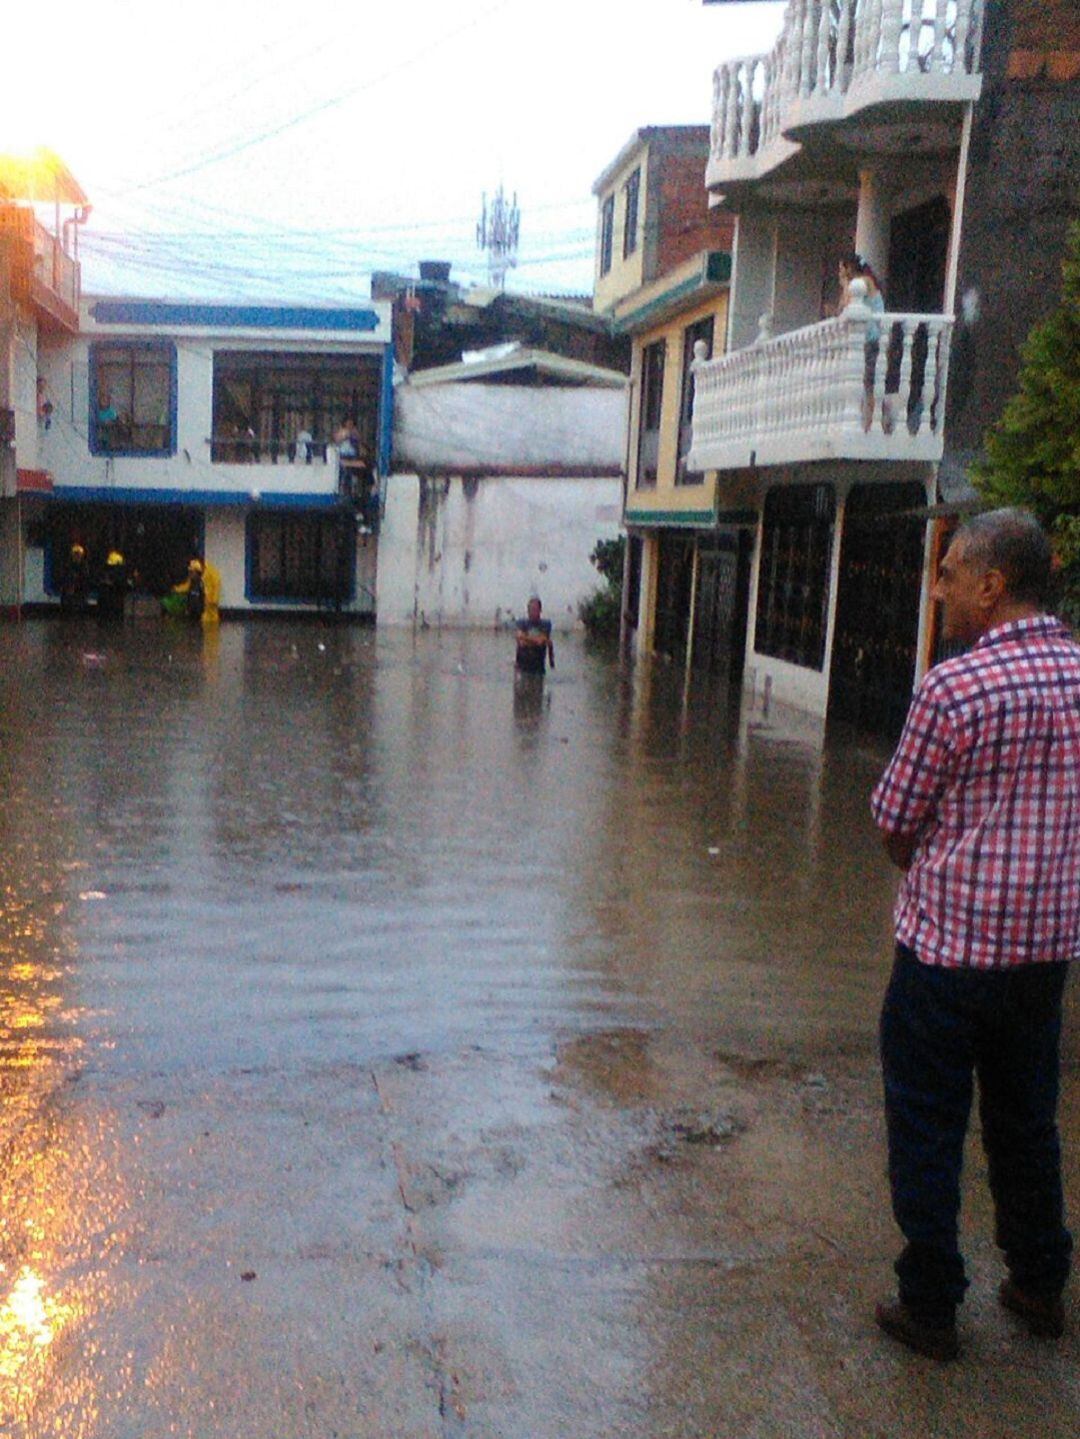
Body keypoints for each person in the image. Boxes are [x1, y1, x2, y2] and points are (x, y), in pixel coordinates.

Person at [870, 508, 1080, 1361]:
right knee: (1027, 1120)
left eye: (952, 570)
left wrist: (931, 859)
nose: (941, 585)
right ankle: (1039, 1283)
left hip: (945, 958)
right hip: (1042, 961)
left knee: (927, 1125)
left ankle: (931, 1305)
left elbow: (893, 817)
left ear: (992, 586)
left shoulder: (951, 687)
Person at [839, 252, 886, 430]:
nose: (840, 274)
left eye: (842, 270)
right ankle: (865, 421)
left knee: (869, 384)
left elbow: (847, 304)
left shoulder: (864, 282)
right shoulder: (857, 283)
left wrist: (845, 285)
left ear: (849, 268)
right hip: (864, 341)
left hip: (872, 339)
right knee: (861, 383)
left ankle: (871, 423)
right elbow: (842, 309)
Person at [515, 596, 555, 675]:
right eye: (530, 609)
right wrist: (536, 641)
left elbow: (541, 641)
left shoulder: (546, 624)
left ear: (540, 610)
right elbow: (520, 640)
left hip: (538, 667)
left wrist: (526, 639)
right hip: (522, 666)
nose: (532, 612)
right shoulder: (521, 623)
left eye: (535, 609)